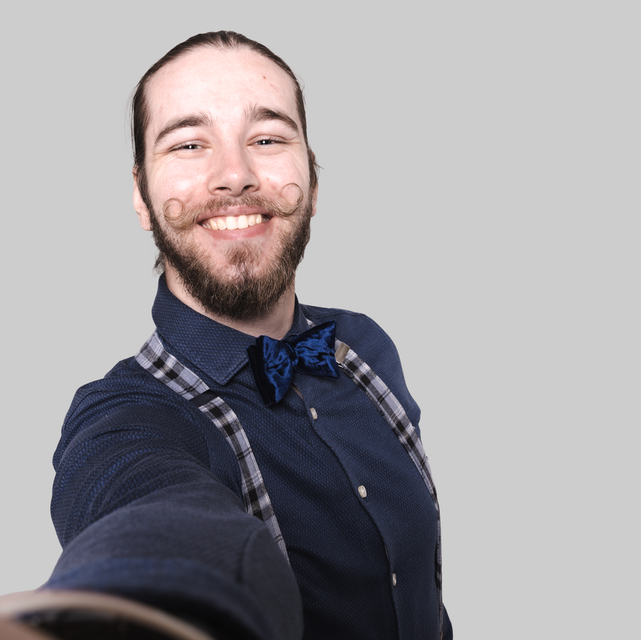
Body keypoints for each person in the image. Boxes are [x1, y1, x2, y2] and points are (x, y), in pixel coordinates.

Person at [41, 31, 452, 640]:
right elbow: (139, 517)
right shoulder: (125, 418)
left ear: (313, 179)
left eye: (267, 139)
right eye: (188, 144)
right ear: (142, 195)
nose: (234, 175)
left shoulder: (364, 344)